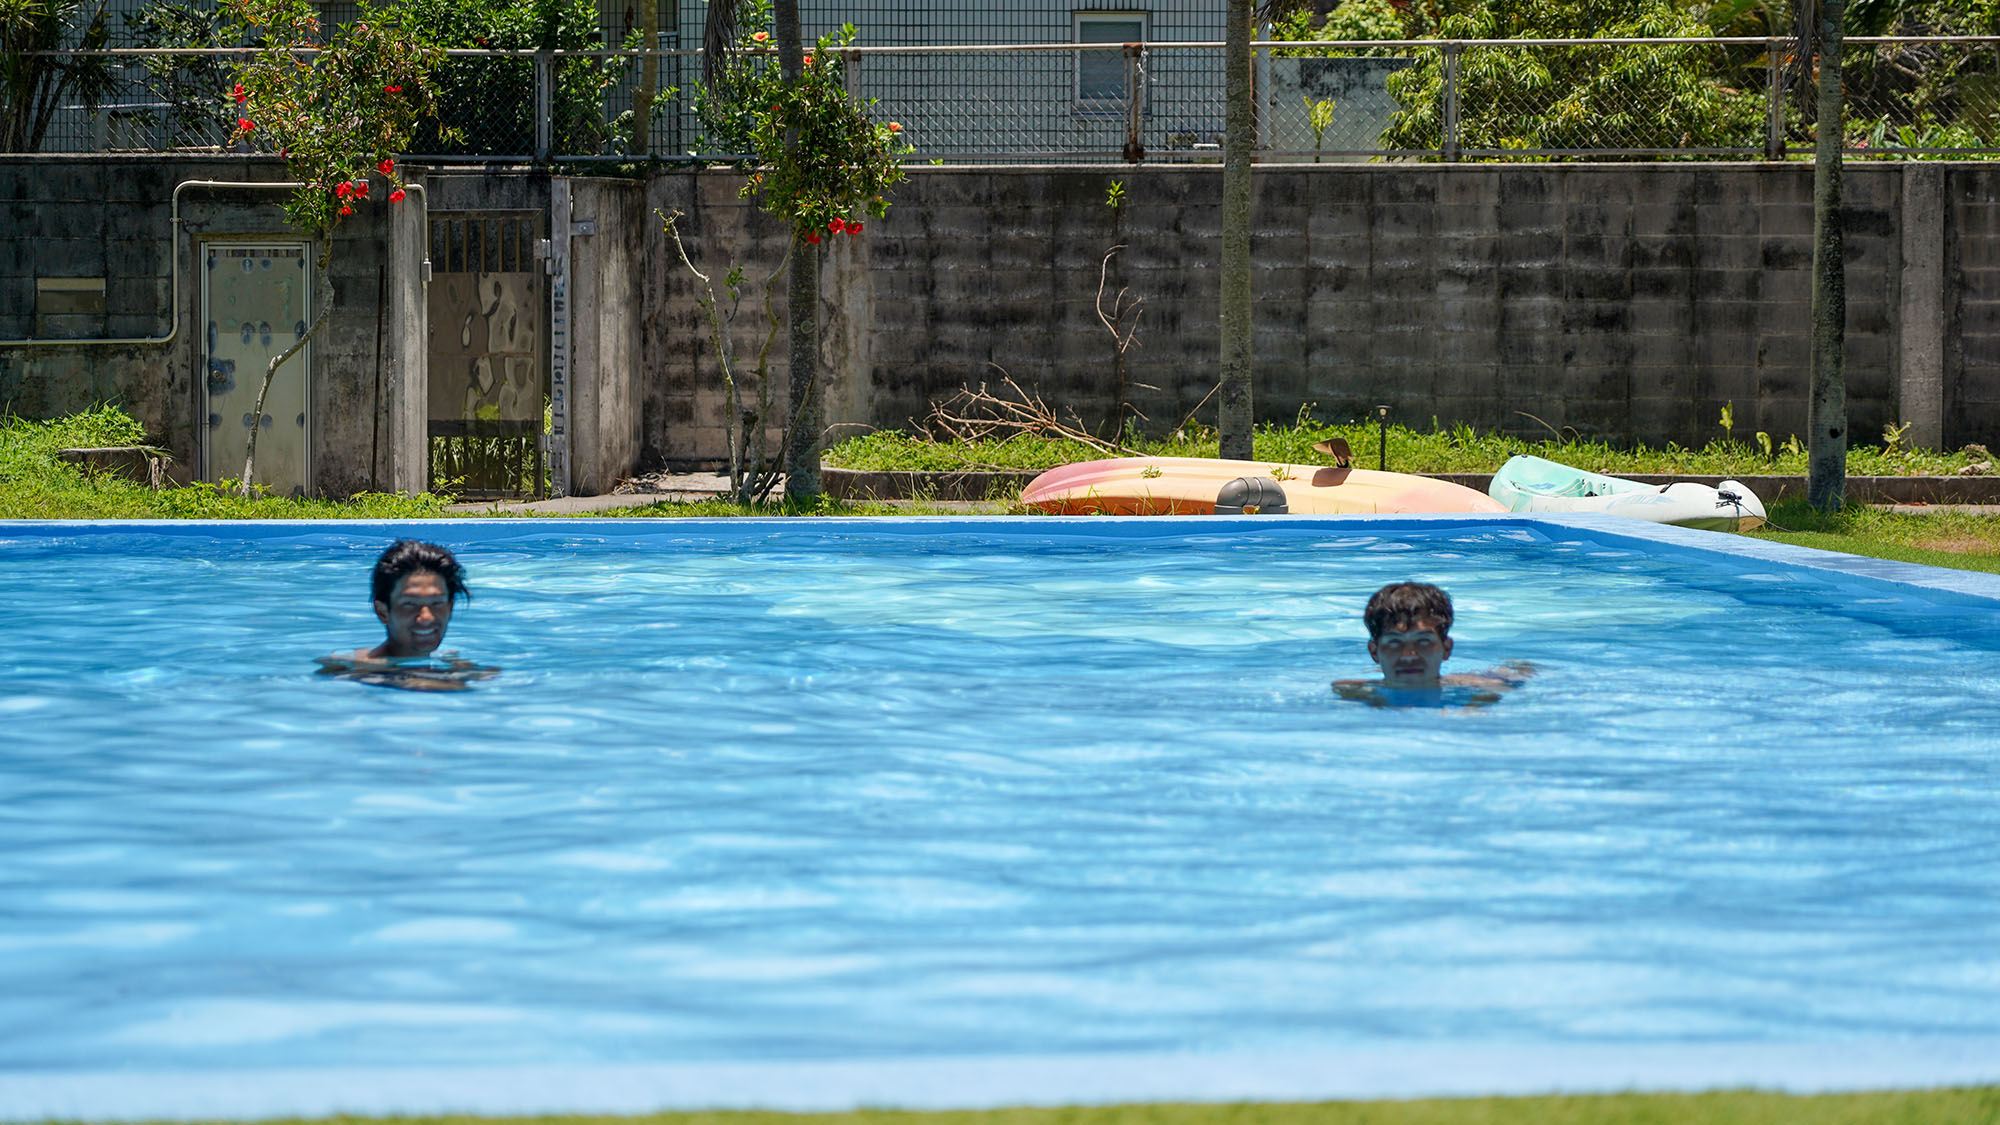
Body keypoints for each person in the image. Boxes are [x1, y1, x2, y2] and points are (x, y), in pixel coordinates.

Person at [317, 539, 498, 691]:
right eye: (410, 604)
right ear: (383, 612)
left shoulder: (452, 663)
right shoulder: (346, 670)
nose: (426, 616)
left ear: (450, 608)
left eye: (437, 603)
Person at [1332, 581, 1531, 707]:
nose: (1409, 655)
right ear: (1374, 652)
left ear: (1446, 649)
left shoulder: (1481, 692)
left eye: (1423, 642)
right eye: (1394, 643)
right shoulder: (1351, 692)